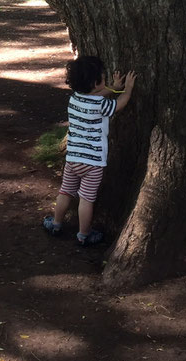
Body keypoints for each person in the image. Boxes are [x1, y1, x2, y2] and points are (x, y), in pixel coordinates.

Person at [43, 55, 137, 246]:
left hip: (73, 159)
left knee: (66, 192)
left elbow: (94, 95)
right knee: (86, 199)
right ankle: (84, 235)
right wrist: (126, 89)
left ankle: (56, 223)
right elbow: (120, 104)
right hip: (93, 163)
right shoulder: (101, 105)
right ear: (96, 83)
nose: (105, 81)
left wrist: (112, 87)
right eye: (103, 78)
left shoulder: (75, 99)